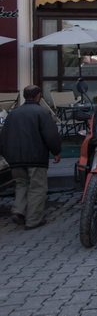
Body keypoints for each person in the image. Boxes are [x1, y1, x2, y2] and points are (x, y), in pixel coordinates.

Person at [0, 85, 62, 230]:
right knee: (37, 188)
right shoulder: (42, 113)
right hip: (35, 157)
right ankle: (33, 220)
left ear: (24, 96)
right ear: (39, 96)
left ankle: (18, 211)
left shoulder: (13, 114)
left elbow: (3, 137)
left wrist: (6, 155)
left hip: (14, 158)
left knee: (21, 184)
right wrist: (56, 152)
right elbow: (51, 136)